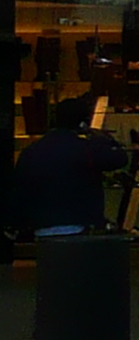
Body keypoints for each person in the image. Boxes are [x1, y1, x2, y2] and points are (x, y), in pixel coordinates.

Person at [10, 97, 125, 238]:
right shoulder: (85, 149)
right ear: (83, 122)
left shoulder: (31, 151)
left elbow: (19, 190)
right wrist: (103, 139)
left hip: (40, 225)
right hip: (79, 223)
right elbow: (119, 159)